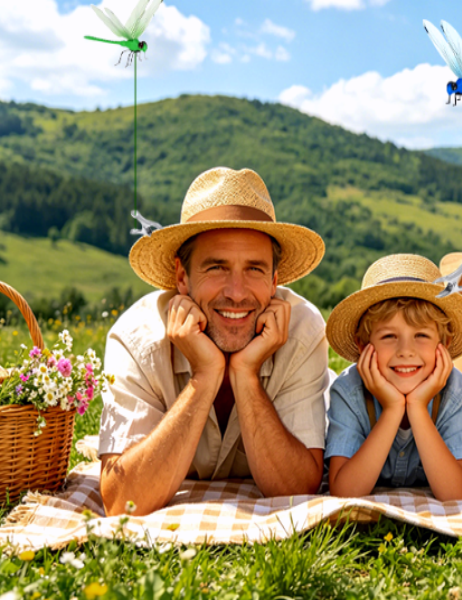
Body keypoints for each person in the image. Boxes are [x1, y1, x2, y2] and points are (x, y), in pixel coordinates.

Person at [98, 167, 330, 516]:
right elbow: (123, 502)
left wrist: (245, 374)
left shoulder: (303, 330)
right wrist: (205, 376)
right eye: (216, 267)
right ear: (181, 277)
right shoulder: (136, 338)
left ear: (274, 280)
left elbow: (295, 492)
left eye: (254, 269)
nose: (236, 294)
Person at [324, 254, 462, 500]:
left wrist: (417, 407)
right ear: (363, 345)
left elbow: (455, 495)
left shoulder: (456, 392)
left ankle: (456, 293)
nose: (405, 350)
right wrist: (392, 409)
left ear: (445, 344)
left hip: (452, 379)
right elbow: (345, 493)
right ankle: (453, 292)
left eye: (421, 335)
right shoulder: (349, 391)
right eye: (389, 336)